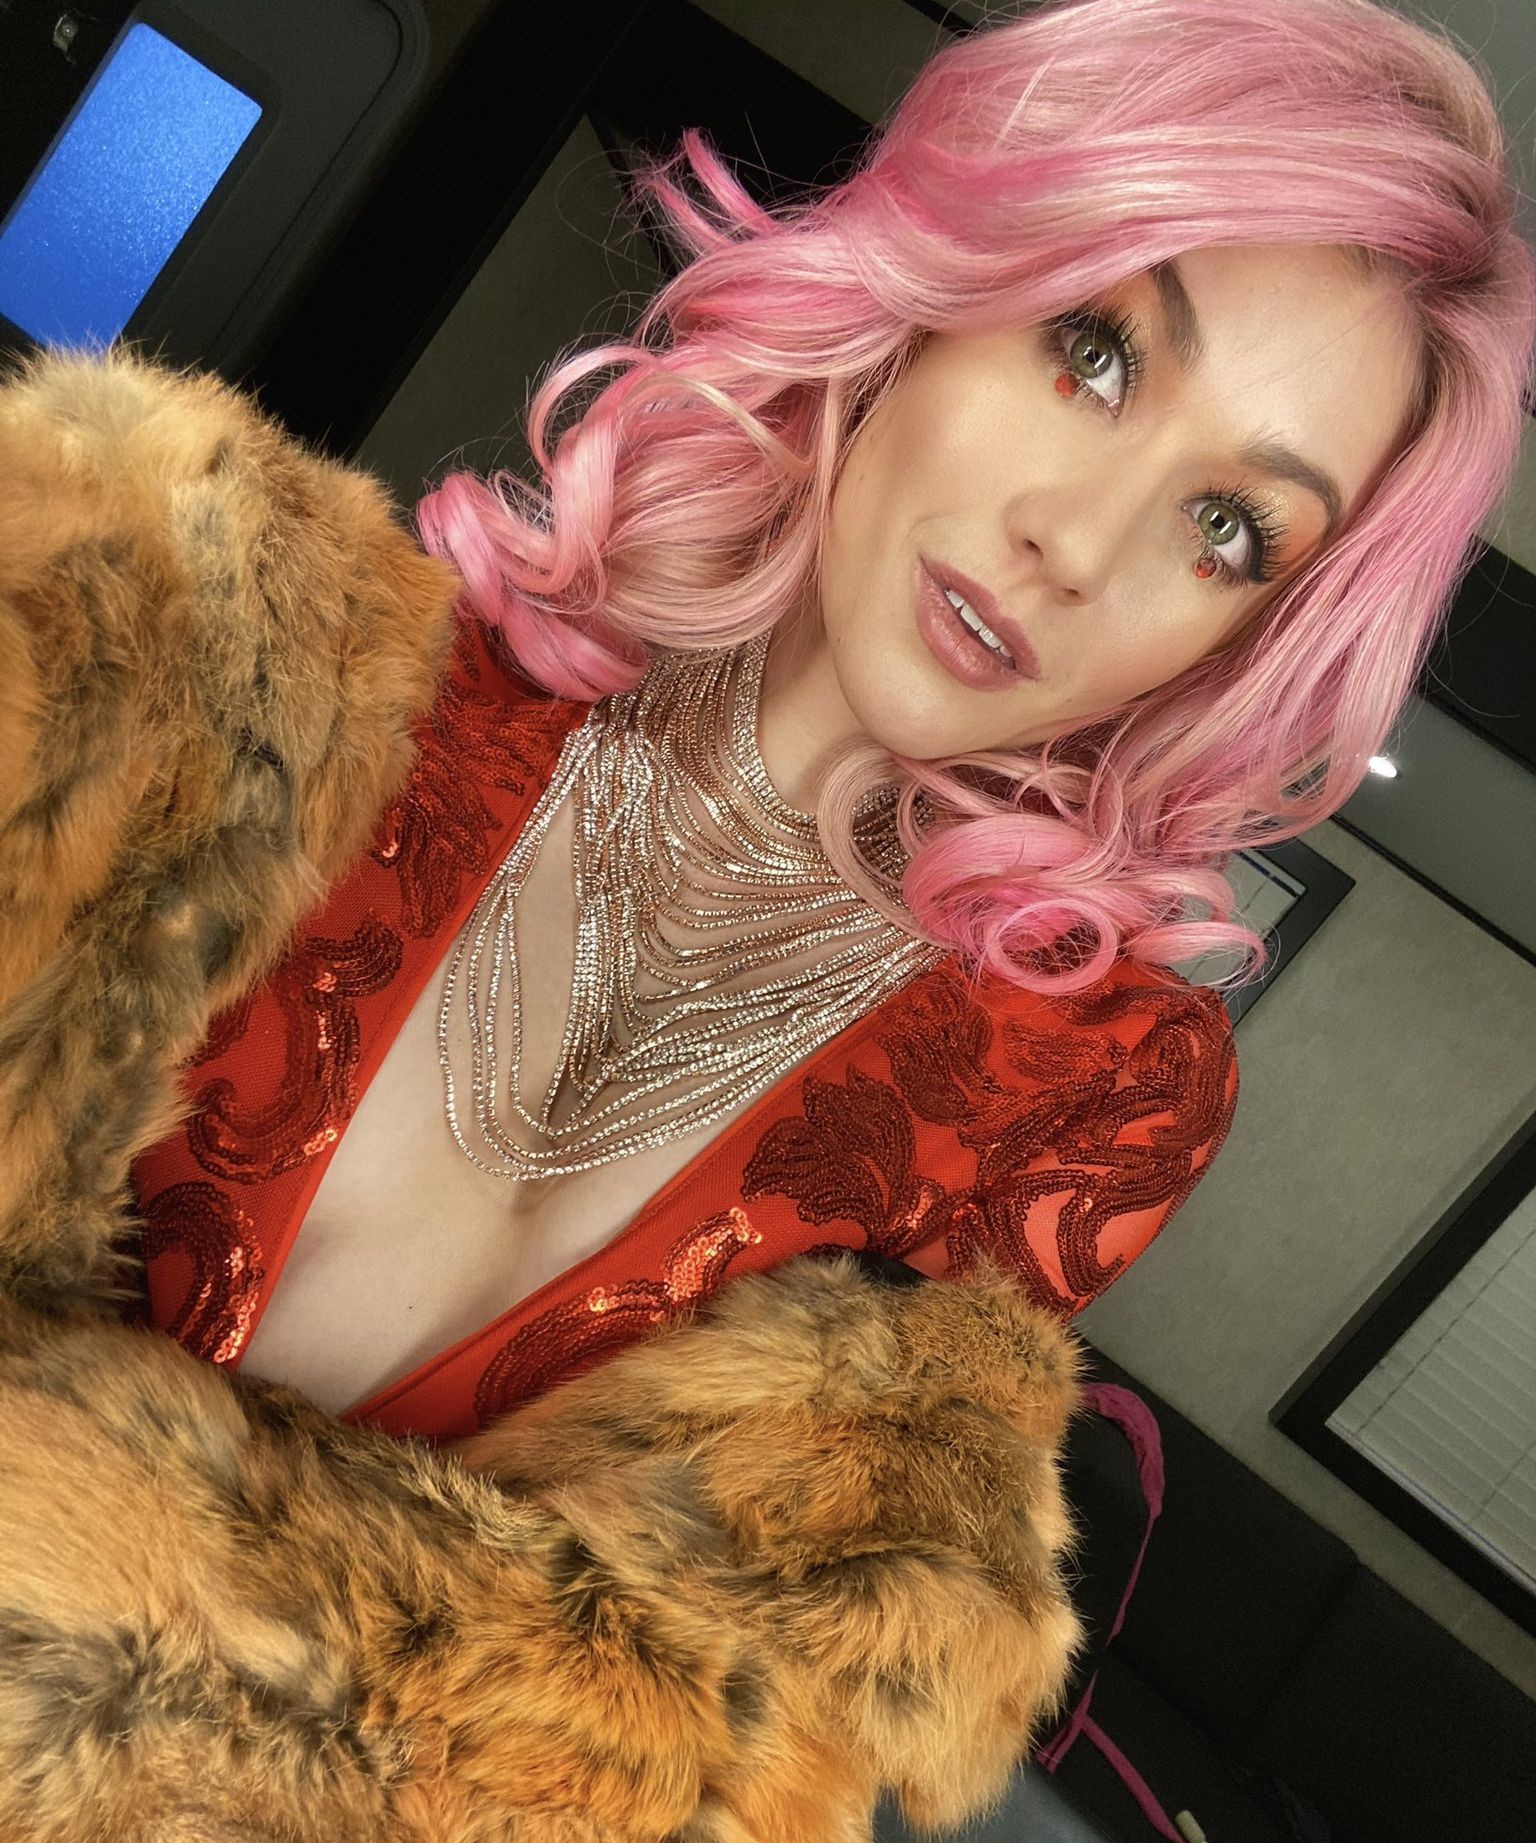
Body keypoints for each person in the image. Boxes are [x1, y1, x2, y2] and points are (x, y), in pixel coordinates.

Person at [129, 0, 1535, 1441]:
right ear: (941, 288)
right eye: (1096, 352)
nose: (1075, 544)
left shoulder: (1085, 1093)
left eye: (1227, 527)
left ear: (1247, 638)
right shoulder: (326, 669)